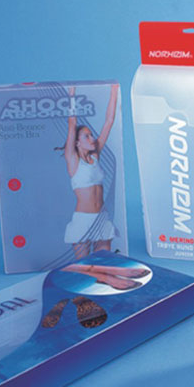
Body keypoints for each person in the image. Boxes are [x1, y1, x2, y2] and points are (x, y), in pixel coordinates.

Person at [57, 85, 119, 259]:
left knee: (104, 265)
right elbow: (72, 124)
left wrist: (114, 91)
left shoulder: (95, 155)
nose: (92, 138)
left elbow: (109, 121)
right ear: (77, 143)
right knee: (84, 268)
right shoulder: (73, 160)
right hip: (83, 220)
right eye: (87, 136)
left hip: (101, 219)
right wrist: (71, 95)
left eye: (91, 135)